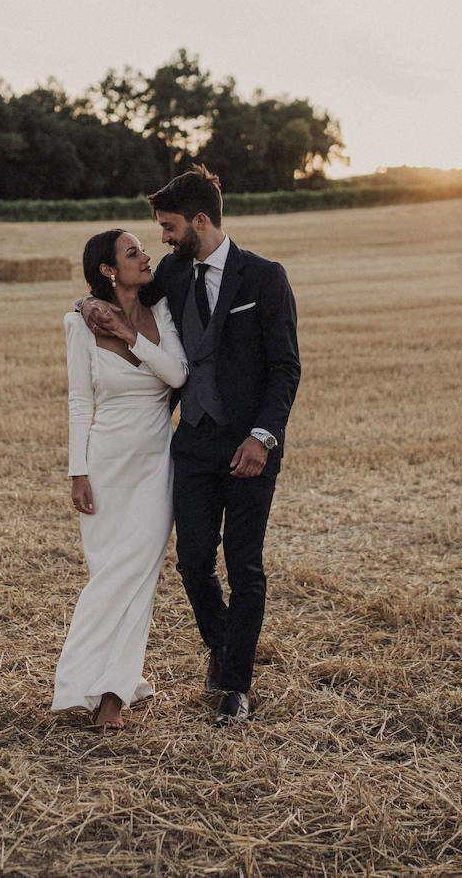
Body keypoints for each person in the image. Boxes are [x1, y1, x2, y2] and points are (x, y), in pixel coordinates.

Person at [83, 166, 300, 725]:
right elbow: (120, 293)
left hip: (251, 447)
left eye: (169, 226)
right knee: (194, 561)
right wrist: (83, 308)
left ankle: (236, 685)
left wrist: (262, 437)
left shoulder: (265, 278)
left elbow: (285, 368)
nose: (163, 238)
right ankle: (225, 643)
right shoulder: (175, 276)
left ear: (200, 220)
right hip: (195, 444)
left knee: (244, 566)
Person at [52, 229, 188, 732]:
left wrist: (132, 336)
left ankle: (107, 693)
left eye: (143, 250)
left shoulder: (162, 312)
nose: (146, 255)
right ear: (109, 271)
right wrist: (77, 471)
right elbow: (78, 401)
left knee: (138, 575)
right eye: (133, 253)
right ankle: (104, 679)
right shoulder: (78, 324)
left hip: (155, 462)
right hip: (105, 464)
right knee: (110, 575)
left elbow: (176, 375)